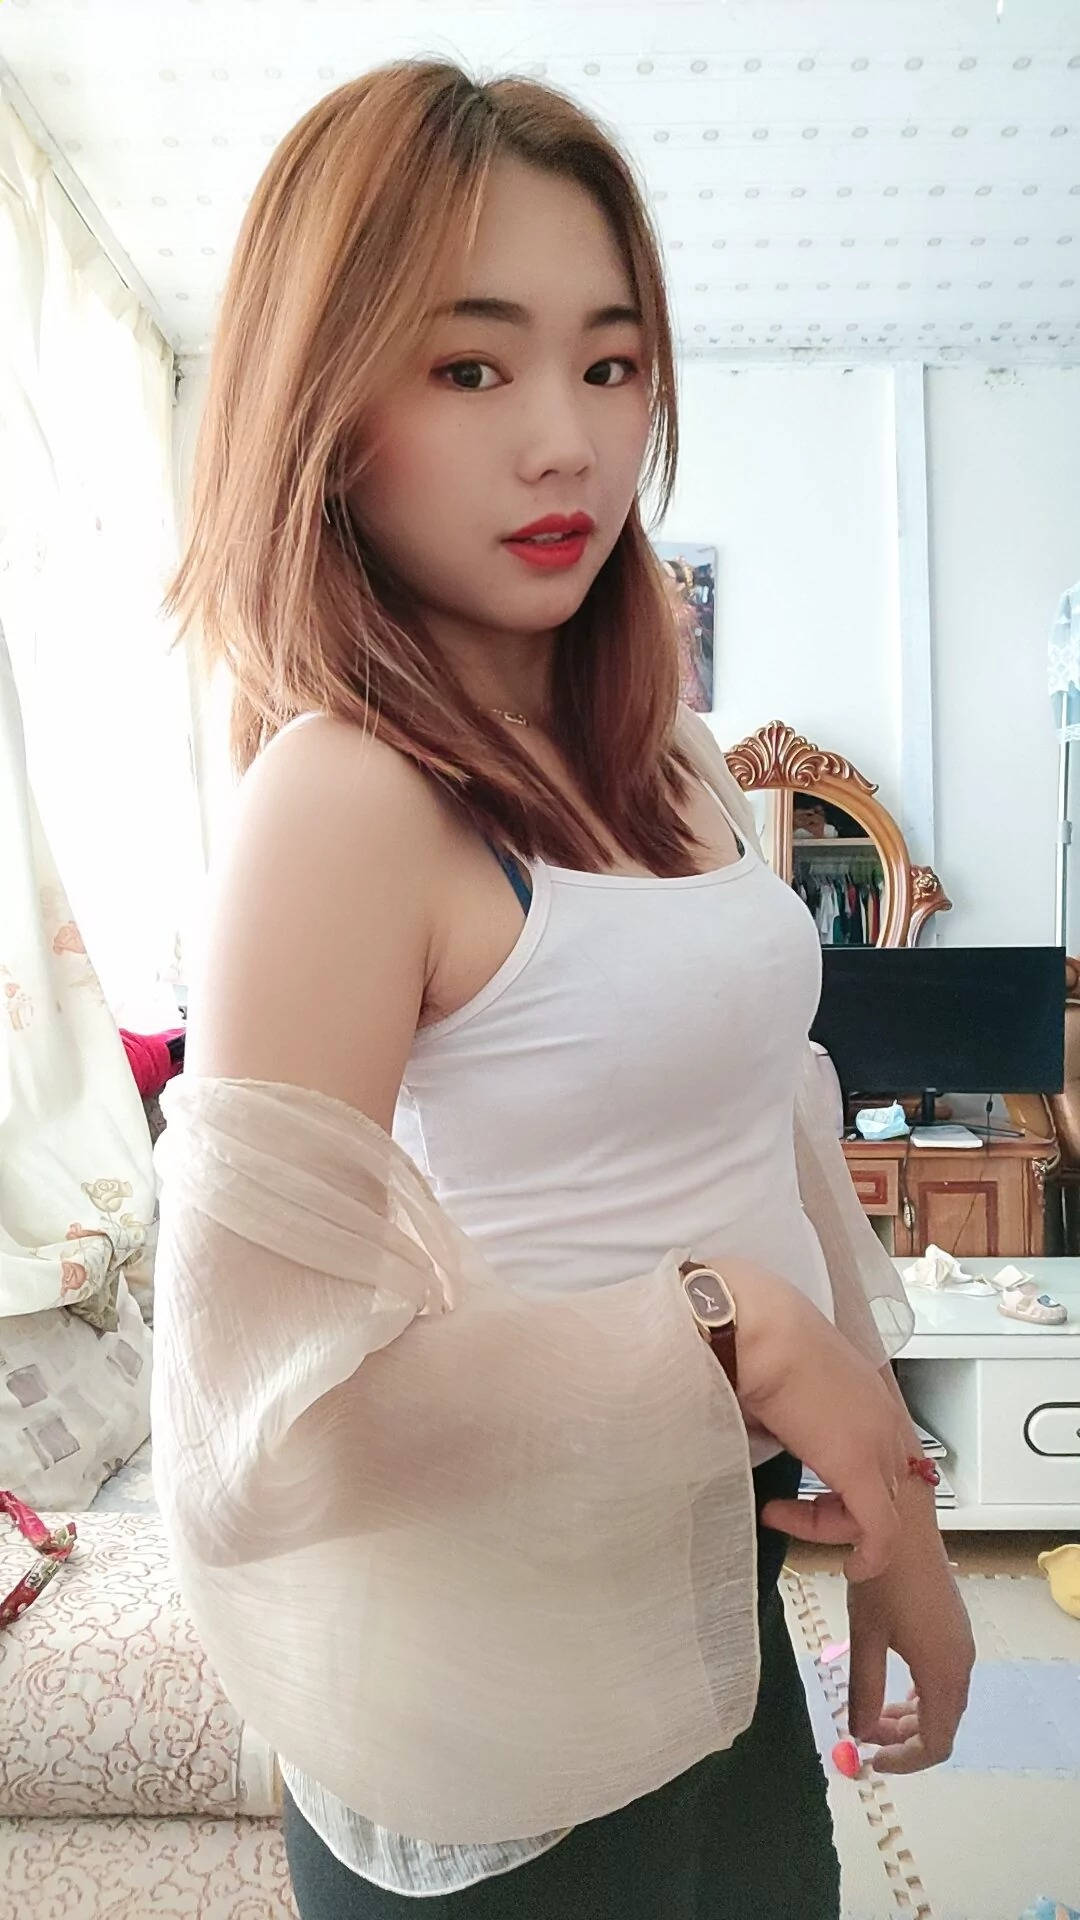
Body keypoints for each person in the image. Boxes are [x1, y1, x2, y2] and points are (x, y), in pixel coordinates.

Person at [157, 59, 975, 1919]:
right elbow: (259, 1428)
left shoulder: (670, 751)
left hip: (712, 1598)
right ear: (323, 407)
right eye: (471, 368)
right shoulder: (345, 798)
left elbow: (767, 1111)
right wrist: (739, 1335)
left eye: (610, 366)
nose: (568, 445)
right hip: (489, 1693)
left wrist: (893, 1499)